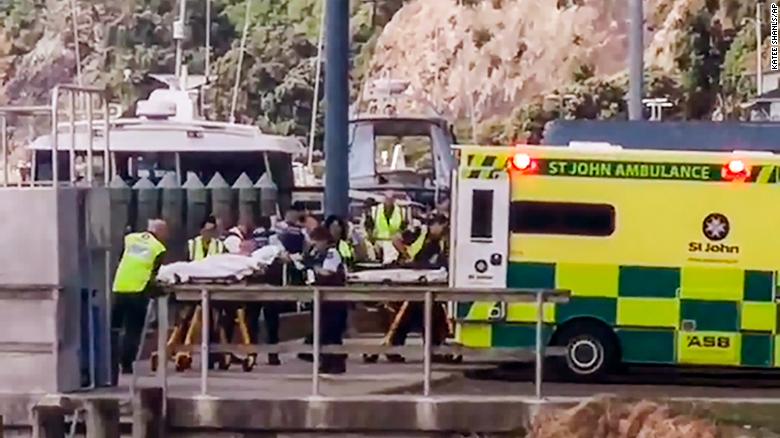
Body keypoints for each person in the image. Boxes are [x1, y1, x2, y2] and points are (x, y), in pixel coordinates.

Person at [386, 215, 450, 363]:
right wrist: (406, 255)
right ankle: (394, 348)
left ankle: (433, 351)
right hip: (413, 279)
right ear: (435, 224)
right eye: (442, 227)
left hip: (428, 282)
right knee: (406, 317)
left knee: (432, 317)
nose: (443, 231)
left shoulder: (439, 242)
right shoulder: (418, 231)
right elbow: (396, 238)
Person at [111, 219, 168, 377]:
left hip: (119, 286)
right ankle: (127, 364)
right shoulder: (159, 248)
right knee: (133, 330)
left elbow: (122, 258)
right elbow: (153, 274)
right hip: (138, 290)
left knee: (114, 328)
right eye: (165, 231)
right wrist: (157, 290)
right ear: (160, 232)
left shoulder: (130, 238)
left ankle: (109, 364)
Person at [304, 226, 349, 374]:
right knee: (322, 331)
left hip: (334, 300)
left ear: (323, 240)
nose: (314, 245)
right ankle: (325, 361)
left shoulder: (332, 253)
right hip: (321, 299)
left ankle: (337, 363)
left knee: (333, 332)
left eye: (316, 242)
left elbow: (327, 272)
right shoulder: (317, 254)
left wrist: (314, 267)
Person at [366, 192, 407, 264]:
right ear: (384, 200)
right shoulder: (375, 210)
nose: (388, 201)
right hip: (378, 241)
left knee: (390, 246)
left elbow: (404, 228)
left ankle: (390, 262)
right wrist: (371, 238)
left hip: (395, 242)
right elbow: (369, 226)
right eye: (387, 199)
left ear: (394, 200)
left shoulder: (401, 211)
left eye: (391, 199)